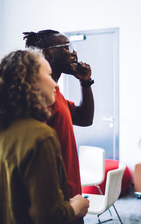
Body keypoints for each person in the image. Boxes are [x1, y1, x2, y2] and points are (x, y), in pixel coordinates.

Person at [0, 49, 89, 224]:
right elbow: (50, 217)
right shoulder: (40, 137)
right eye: (49, 76)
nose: (55, 84)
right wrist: (76, 206)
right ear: (28, 83)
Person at [23, 30, 95, 200]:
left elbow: (85, 119)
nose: (74, 54)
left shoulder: (55, 92)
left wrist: (85, 82)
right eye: (67, 48)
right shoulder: (38, 95)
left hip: (69, 192)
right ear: (48, 53)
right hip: (55, 197)